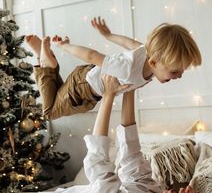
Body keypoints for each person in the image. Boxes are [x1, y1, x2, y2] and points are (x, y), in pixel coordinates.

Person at [2, 76, 212, 193]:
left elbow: (99, 166)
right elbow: (131, 151)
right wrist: (131, 88)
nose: (186, 189)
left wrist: (108, 96)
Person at [25, 17, 202, 120]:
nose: (179, 76)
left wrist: (108, 35)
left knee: (57, 96)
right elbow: (91, 55)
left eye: (181, 71)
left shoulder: (147, 53)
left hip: (87, 86)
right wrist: (65, 46)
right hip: (82, 88)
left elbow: (129, 43)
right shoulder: (127, 68)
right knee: (48, 113)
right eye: (174, 71)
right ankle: (48, 64)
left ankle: (45, 59)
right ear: (154, 63)